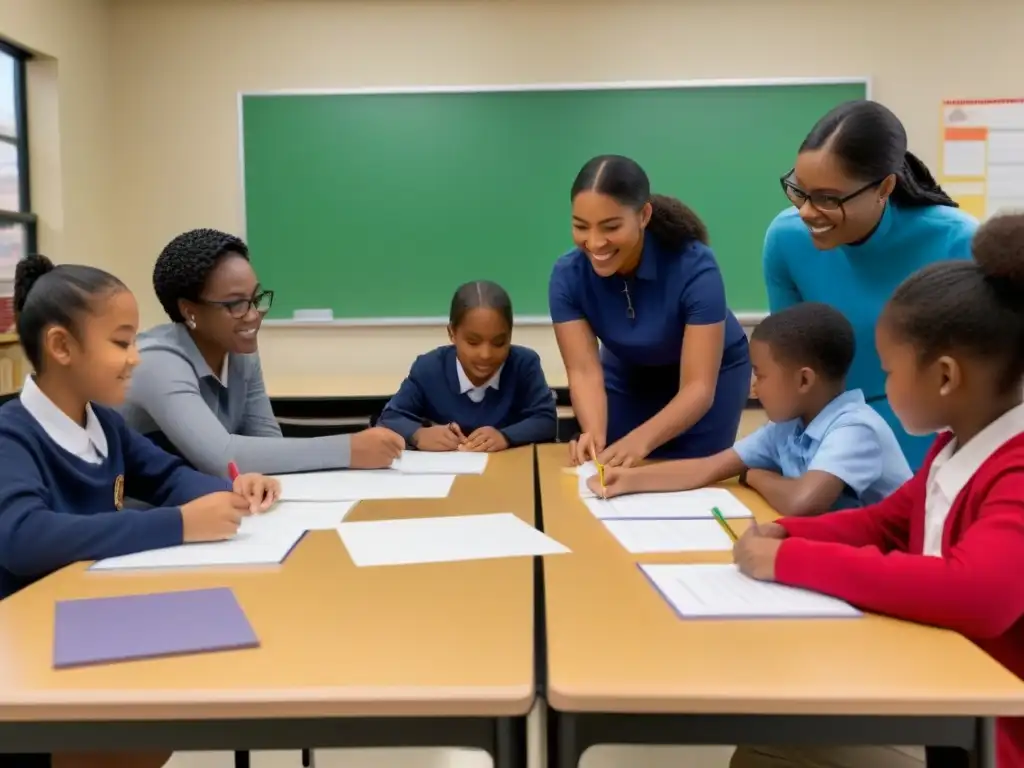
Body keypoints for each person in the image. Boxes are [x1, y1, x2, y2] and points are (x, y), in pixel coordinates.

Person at [731, 213, 1024, 768]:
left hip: (994, 737)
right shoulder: (953, 446)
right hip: (949, 701)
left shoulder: (1016, 467)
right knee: (764, 748)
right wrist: (787, 531)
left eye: (887, 372)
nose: (879, 387)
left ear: (944, 377)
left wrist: (788, 559)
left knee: (770, 754)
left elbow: (979, 594)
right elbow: (886, 523)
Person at [0, 254, 281, 768]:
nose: (135, 358)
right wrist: (178, 525)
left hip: (97, 625)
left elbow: (168, 477)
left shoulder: (104, 424)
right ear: (61, 346)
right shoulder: (12, 434)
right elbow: (24, 538)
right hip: (33, 658)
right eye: (121, 343)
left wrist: (235, 486)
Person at [764, 99, 978, 471]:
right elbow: (791, 366)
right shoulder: (786, 239)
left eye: (827, 198)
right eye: (800, 190)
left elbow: (981, 377)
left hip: (933, 447)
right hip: (826, 447)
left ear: (885, 188)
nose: (806, 212)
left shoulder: (957, 242)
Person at [121, 228, 404, 476]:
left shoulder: (240, 351)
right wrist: (348, 449)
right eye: (235, 304)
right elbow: (222, 458)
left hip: (211, 503)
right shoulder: (156, 362)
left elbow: (269, 443)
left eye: (256, 298)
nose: (254, 315)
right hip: (142, 515)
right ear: (189, 310)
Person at [590, 303, 910, 515]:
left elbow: (803, 502)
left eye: (761, 375)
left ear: (803, 380)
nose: (754, 387)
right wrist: (628, 480)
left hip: (899, 558)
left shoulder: (854, 428)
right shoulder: (789, 426)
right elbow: (706, 468)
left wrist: (754, 476)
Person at [549, 155, 751, 467]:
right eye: (580, 226)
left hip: (709, 376)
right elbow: (584, 371)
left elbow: (698, 388)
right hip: (629, 372)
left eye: (611, 226)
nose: (594, 242)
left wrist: (639, 441)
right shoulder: (568, 276)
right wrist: (593, 431)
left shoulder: (695, 267)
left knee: (689, 478)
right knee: (615, 469)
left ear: (643, 215)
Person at [377, 280, 556, 450]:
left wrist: (505, 436)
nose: (485, 355)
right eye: (473, 342)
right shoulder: (429, 369)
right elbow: (390, 417)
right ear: (452, 334)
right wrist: (418, 434)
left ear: (510, 335)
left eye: (499, 342)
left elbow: (546, 420)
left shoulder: (524, 365)